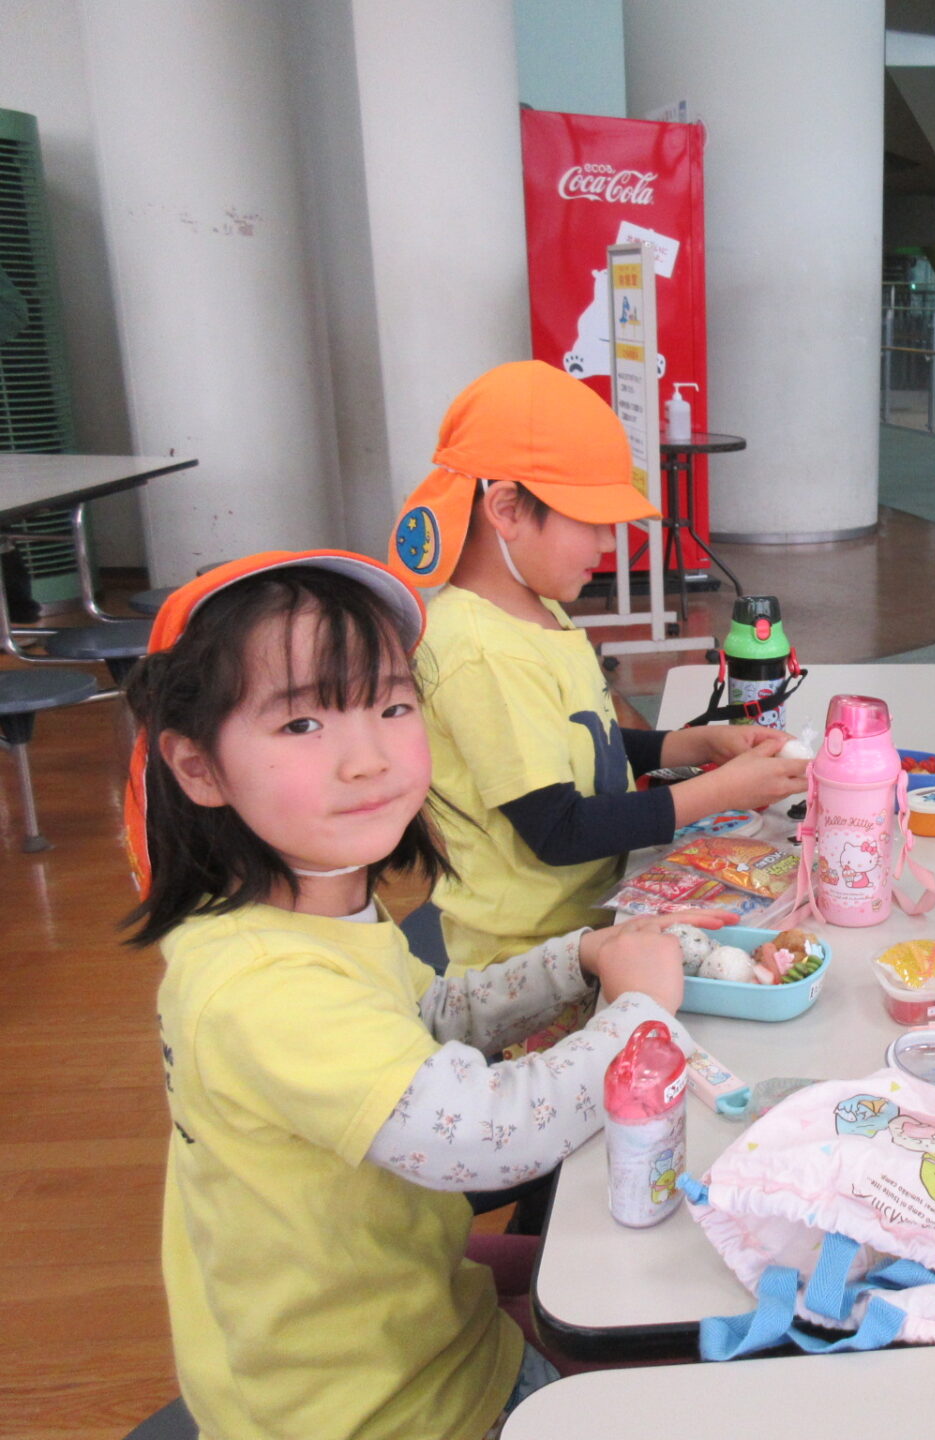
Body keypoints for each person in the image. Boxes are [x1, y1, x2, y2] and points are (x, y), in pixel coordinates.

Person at [124, 551, 730, 1438]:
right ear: (198, 767)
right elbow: (482, 1139)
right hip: (381, 1410)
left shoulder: (311, 913)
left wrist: (580, 957)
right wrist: (641, 1014)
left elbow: (429, 1014)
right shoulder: (261, 985)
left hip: (413, 1312)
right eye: (301, 723)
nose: (367, 759)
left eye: (392, 706)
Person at [389, 361, 807, 977]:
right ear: (506, 508)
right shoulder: (482, 653)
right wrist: (721, 791)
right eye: (592, 522)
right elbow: (560, 830)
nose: (610, 544)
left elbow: (589, 742)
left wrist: (697, 744)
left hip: (599, 916)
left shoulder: (535, 610)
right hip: (532, 961)